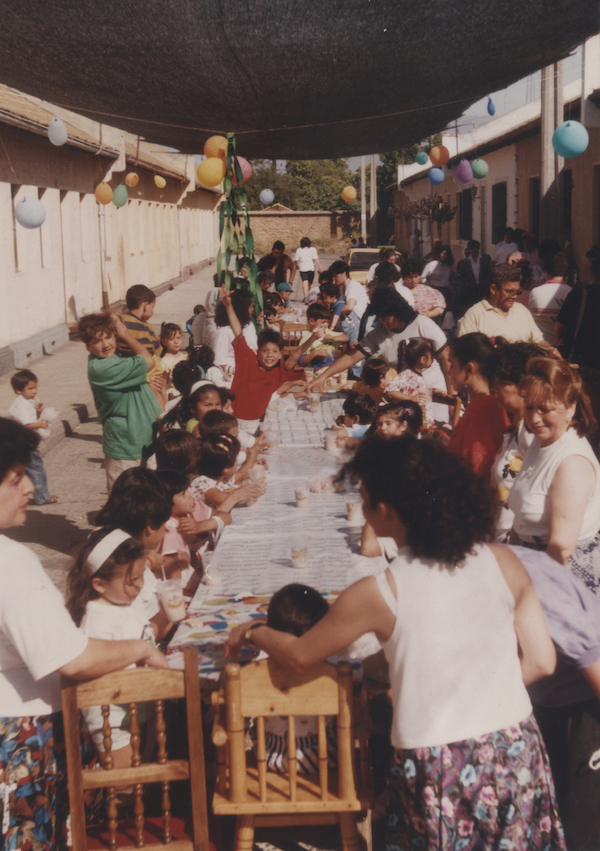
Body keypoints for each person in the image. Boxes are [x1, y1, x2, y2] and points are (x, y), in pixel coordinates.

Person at [227, 436, 565, 851]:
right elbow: (542, 661)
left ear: (383, 512)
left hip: (440, 760)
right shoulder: (503, 561)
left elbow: (299, 655)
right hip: (516, 745)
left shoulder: (377, 592)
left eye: (367, 501)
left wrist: (252, 631)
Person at [0, 419, 167, 849]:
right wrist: (140, 648)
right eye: (17, 478)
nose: (31, 490)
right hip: (22, 732)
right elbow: (70, 656)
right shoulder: (10, 562)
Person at [66, 528, 161, 769]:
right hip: (111, 718)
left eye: (142, 576)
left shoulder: (123, 602)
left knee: (140, 767)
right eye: (132, 581)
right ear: (99, 584)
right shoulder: (97, 621)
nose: (140, 585)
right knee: (122, 778)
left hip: (135, 707)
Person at [508, 358, 600, 593]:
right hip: (528, 563)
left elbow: (561, 551)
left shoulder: (572, 464)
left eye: (545, 409)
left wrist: (524, 593)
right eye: (529, 408)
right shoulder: (541, 442)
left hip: (559, 579)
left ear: (571, 407)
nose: (535, 418)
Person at [309, 288, 453, 406]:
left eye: (385, 315)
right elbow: (352, 356)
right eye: (378, 316)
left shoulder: (423, 324)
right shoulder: (380, 333)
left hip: (433, 391)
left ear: (398, 311)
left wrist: (453, 397)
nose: (381, 320)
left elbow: (447, 358)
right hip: (405, 394)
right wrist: (323, 377)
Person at [253, 584, 337, 773]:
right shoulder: (333, 669)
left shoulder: (256, 669)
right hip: (324, 760)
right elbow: (360, 672)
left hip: (270, 759)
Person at [78, 313, 162, 491]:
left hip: (144, 441)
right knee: (125, 505)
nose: (106, 344)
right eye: (97, 341)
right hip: (127, 448)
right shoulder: (102, 367)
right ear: (88, 346)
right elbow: (148, 361)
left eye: (108, 336)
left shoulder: (113, 358)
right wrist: (126, 335)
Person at [219, 285, 306, 433]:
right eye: (265, 351)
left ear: (280, 355)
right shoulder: (247, 360)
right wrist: (228, 306)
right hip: (233, 422)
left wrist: (313, 338)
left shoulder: (278, 372)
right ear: (257, 352)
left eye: (274, 352)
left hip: (256, 424)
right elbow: (238, 331)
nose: (270, 355)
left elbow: (296, 355)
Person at [489, 342, 544, 541]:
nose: (493, 388)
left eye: (502, 382)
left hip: (517, 542)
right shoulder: (516, 429)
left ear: (525, 386)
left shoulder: (533, 433)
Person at [447, 333, 510, 478]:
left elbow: (477, 469)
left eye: (452, 365)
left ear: (469, 369)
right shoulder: (485, 405)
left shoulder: (482, 411)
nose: (449, 371)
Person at [459, 265, 557, 351]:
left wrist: (551, 350)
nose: (514, 296)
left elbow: (539, 341)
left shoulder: (522, 310)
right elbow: (465, 351)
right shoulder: (475, 314)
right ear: (493, 289)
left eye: (518, 292)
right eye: (509, 291)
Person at [8, 369, 57, 505]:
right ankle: (42, 497)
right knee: (36, 468)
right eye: (30, 388)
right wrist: (40, 423)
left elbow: (28, 419)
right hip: (25, 443)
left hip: (24, 442)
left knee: (22, 469)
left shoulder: (26, 400)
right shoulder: (21, 404)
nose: (34, 391)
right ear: (19, 390)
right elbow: (25, 424)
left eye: (35, 388)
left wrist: (37, 411)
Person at [555, 255, 600, 367]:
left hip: (580, 363)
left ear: (592, 275)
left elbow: (559, 328)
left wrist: (557, 347)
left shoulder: (579, 293)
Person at [386, 338, 435, 426]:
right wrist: (411, 398)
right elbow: (390, 391)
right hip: (413, 421)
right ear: (423, 359)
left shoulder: (417, 376)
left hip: (424, 421)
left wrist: (434, 392)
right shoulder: (407, 374)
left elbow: (420, 393)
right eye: (432, 354)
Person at [213, 288, 257, 383]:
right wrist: (238, 371)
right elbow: (219, 363)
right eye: (250, 306)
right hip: (233, 377)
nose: (252, 310)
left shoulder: (249, 326)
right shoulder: (224, 332)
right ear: (242, 309)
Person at [528, 253, 572, 345]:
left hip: (540, 347)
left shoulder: (535, 292)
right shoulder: (572, 292)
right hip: (563, 350)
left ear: (546, 272)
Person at [328, 260, 369, 343]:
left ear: (343, 273)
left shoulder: (353, 286)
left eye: (335, 275)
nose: (333, 278)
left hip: (358, 324)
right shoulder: (340, 288)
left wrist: (334, 313)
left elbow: (349, 307)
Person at [454, 239, 491, 317]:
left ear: (478, 249)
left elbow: (490, 271)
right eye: (472, 249)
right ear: (469, 250)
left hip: (483, 287)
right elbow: (462, 276)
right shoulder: (465, 262)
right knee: (472, 306)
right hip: (471, 289)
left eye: (475, 248)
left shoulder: (486, 258)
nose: (474, 250)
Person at [421, 244, 454, 312]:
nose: (444, 256)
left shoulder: (449, 266)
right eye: (443, 254)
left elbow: (451, 277)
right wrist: (429, 286)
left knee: (447, 311)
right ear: (439, 253)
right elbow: (422, 278)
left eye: (446, 254)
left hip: (446, 291)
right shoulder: (431, 265)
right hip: (434, 290)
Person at [159, 322, 188, 399]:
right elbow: (163, 386)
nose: (176, 342)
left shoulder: (185, 357)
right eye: (171, 339)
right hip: (173, 396)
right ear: (164, 342)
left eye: (178, 338)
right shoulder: (165, 362)